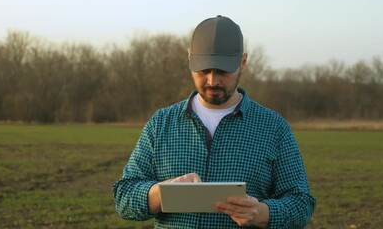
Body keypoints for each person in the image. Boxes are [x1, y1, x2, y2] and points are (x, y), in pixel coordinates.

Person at [113, 15, 316, 228]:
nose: (212, 81)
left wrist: (262, 213)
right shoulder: (161, 123)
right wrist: (163, 192)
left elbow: (301, 204)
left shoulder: (274, 128)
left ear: (243, 62)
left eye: (223, 71)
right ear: (190, 58)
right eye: (203, 70)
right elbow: (124, 198)